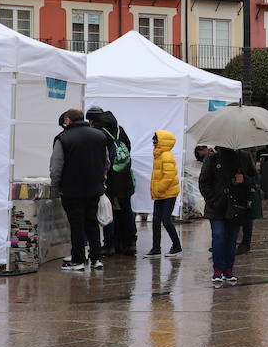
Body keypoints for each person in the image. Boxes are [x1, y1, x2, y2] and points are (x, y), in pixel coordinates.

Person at [50, 108, 109, 272]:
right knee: (92, 223)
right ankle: (97, 258)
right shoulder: (99, 136)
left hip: (71, 190)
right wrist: (101, 182)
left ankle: (78, 260)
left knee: (76, 225)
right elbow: (107, 163)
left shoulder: (62, 138)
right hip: (94, 189)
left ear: (68, 120)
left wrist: (56, 187)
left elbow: (56, 167)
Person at [200, 146, 257, 284]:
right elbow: (204, 181)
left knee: (232, 238)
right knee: (219, 235)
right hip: (217, 207)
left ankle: (228, 270)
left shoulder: (244, 157)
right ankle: (218, 270)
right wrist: (213, 200)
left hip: (237, 206)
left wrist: (244, 180)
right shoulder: (212, 158)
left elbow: (255, 179)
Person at [87, 107, 136, 256]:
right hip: (125, 176)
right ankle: (130, 243)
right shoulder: (120, 130)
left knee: (107, 210)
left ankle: (109, 244)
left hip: (109, 178)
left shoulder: (98, 133)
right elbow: (128, 148)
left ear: (91, 120)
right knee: (126, 209)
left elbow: (98, 157)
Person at [146, 130, 182, 256]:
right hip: (161, 194)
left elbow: (169, 176)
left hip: (168, 193)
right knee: (156, 221)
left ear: (163, 142)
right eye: (154, 140)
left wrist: (159, 188)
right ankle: (156, 248)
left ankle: (177, 246)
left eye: (156, 140)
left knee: (166, 221)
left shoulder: (166, 156)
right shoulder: (159, 155)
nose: (154, 143)